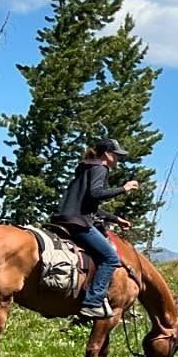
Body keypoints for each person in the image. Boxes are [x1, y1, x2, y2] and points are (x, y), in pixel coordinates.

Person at [51, 136, 139, 321]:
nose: (118, 160)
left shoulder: (86, 168)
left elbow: (89, 205)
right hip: (78, 223)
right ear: (107, 154)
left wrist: (115, 219)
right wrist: (124, 188)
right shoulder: (101, 167)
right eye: (116, 155)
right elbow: (96, 193)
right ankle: (92, 302)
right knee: (110, 258)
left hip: (65, 219)